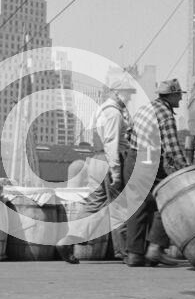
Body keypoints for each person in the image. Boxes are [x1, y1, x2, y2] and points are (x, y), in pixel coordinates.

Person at [56, 75, 135, 263]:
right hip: (109, 161)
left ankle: (66, 241)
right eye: (127, 94)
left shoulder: (100, 110)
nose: (130, 98)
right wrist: (116, 171)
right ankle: (125, 252)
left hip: (94, 161)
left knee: (93, 206)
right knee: (120, 206)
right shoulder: (114, 114)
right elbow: (111, 143)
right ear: (117, 93)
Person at [123, 78, 188, 267]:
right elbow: (173, 149)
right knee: (168, 200)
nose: (181, 100)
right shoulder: (166, 115)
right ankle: (155, 248)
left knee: (137, 206)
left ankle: (135, 254)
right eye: (179, 96)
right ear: (172, 95)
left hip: (132, 158)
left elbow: (128, 133)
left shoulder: (145, 108)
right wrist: (186, 170)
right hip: (148, 161)